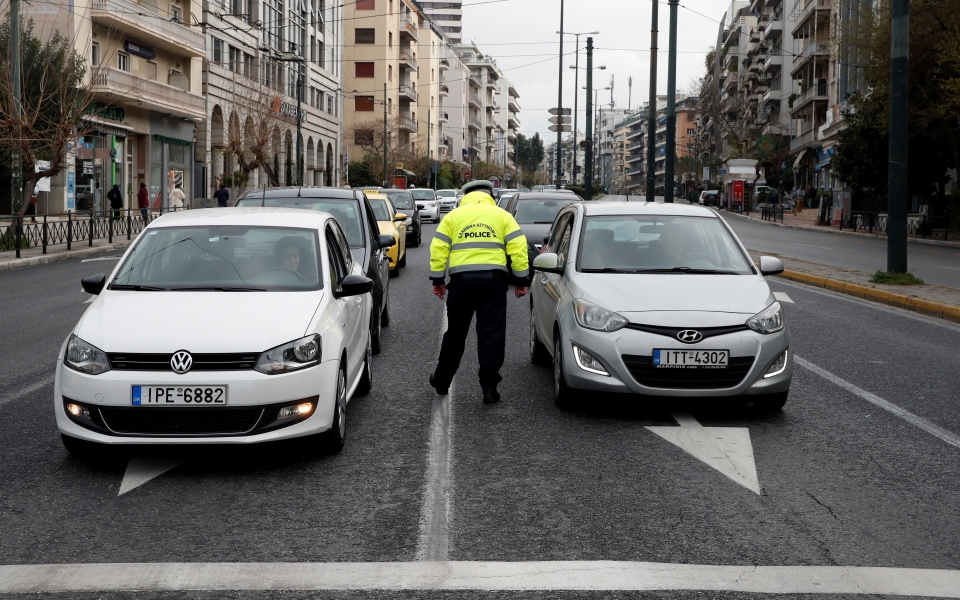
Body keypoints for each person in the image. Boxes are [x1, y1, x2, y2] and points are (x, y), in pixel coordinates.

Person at [428, 179, 530, 404]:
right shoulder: (502, 216)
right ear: (489, 195)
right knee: (491, 335)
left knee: (455, 333)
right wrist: (522, 278)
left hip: (461, 283)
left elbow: (438, 247)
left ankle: (442, 381)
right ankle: (489, 389)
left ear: (465, 195)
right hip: (493, 284)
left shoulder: (453, 217)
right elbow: (518, 246)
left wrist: (438, 278)